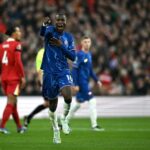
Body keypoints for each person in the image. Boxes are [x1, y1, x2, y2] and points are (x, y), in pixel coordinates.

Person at [40, 13, 76, 144]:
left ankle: (64, 119)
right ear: (55, 22)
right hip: (49, 73)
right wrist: (44, 24)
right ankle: (56, 130)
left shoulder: (69, 37)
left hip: (63, 71)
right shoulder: (50, 31)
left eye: (62, 20)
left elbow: (73, 56)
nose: (60, 22)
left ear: (66, 22)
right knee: (52, 105)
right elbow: (43, 32)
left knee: (68, 96)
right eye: (58, 20)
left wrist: (61, 45)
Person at [66, 36, 104, 131]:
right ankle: (94, 125)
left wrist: (97, 80)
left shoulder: (89, 54)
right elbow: (74, 70)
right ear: (82, 43)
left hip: (85, 82)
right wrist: (75, 84)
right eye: (85, 42)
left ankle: (64, 121)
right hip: (81, 83)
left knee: (78, 104)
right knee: (92, 101)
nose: (87, 43)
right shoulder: (79, 55)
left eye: (89, 42)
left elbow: (90, 70)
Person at [0, 25, 26, 134]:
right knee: (11, 102)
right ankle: (1, 126)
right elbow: (18, 62)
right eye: (18, 31)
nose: (20, 33)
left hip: (4, 78)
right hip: (13, 79)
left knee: (13, 103)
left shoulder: (1, 46)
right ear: (13, 34)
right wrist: (23, 76)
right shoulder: (16, 45)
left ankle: (19, 127)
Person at [23, 48, 49, 128]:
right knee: (51, 102)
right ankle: (57, 124)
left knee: (48, 104)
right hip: (46, 81)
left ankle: (28, 117)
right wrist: (41, 82)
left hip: (52, 80)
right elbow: (39, 69)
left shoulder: (54, 50)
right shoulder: (42, 52)